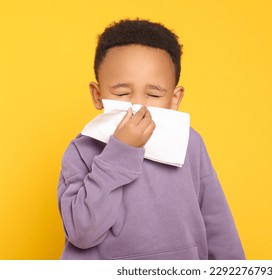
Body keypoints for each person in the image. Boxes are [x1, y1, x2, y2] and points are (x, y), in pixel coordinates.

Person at [57, 18, 245, 260]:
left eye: (154, 94)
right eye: (122, 93)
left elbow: (218, 223)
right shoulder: (82, 149)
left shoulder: (189, 143)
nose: (138, 106)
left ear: (174, 99)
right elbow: (82, 233)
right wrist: (120, 153)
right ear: (97, 95)